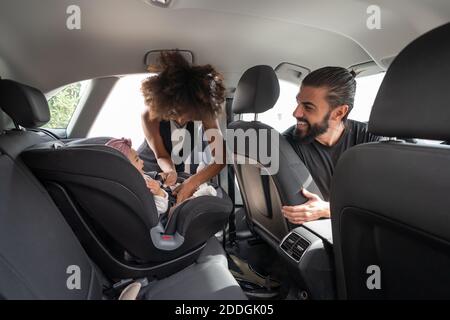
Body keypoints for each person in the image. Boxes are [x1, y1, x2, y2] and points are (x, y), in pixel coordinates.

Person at [281, 67, 381, 225]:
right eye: (298, 103)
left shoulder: (371, 139)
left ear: (339, 112)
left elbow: (382, 204)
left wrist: (327, 209)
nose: (296, 113)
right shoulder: (287, 146)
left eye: (308, 107)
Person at [139, 51, 226, 204]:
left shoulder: (205, 113)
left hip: (175, 172)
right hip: (147, 170)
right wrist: (169, 171)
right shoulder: (149, 115)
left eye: (187, 113)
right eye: (174, 112)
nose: (180, 119)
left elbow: (221, 157)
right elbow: (161, 156)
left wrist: (193, 181)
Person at [106, 138, 218, 217]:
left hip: (165, 195)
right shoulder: (139, 186)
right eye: (137, 159)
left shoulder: (136, 178)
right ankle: (199, 195)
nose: (142, 161)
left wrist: (161, 177)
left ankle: (199, 189)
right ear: (125, 167)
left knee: (180, 185)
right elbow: (158, 209)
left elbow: (150, 178)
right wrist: (159, 192)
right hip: (166, 212)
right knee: (189, 201)